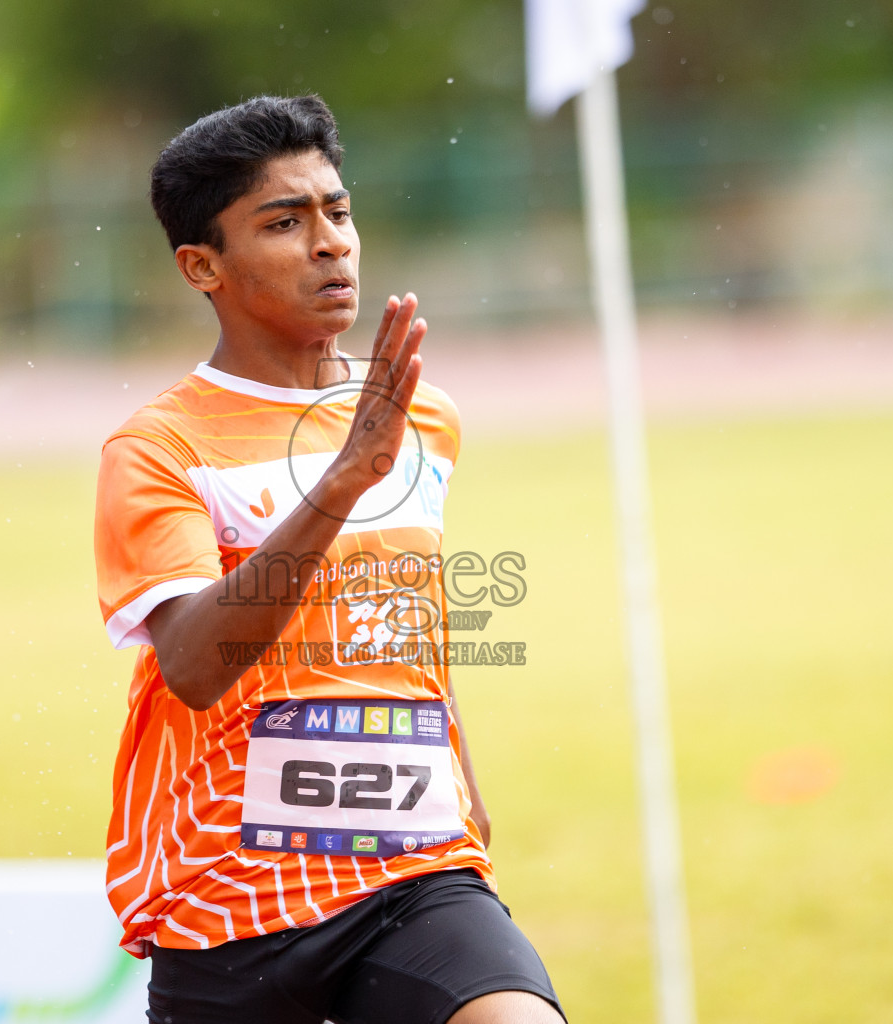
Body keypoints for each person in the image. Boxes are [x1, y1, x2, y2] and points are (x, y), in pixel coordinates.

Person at [94, 94, 564, 1024]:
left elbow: (401, 615)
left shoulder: (421, 417)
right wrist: (344, 478)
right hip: (232, 898)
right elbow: (192, 664)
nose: (332, 243)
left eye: (338, 212)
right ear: (202, 266)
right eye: (284, 222)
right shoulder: (158, 449)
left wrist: (466, 800)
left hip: (415, 867)